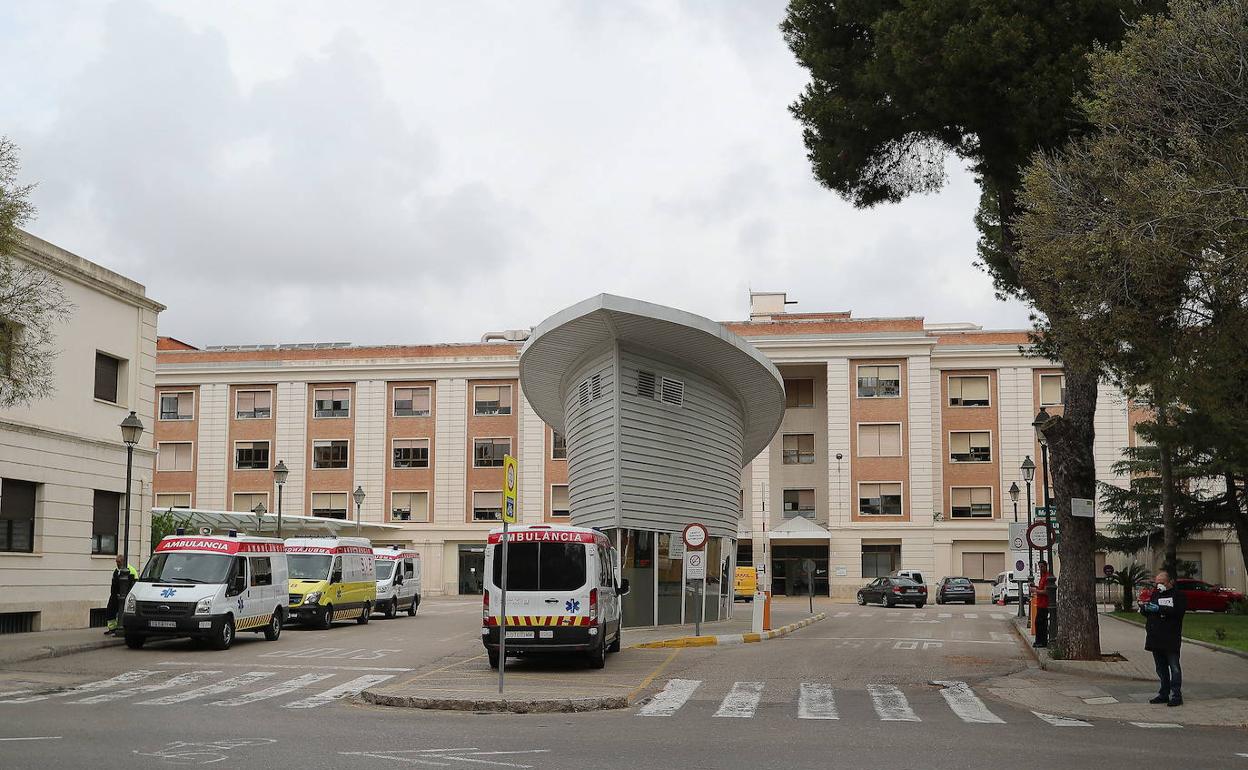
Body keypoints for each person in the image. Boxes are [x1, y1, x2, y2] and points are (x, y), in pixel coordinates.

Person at [1141, 570, 1187, 706]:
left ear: (1170, 582)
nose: (1159, 586)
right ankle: (1164, 693)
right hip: (1156, 637)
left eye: (1162, 583)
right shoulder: (1155, 594)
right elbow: (1150, 613)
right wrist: (1145, 608)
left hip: (1171, 637)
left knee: (1174, 667)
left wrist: (1159, 609)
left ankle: (1176, 695)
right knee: (1160, 668)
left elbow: (1177, 612)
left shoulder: (1178, 596)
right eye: (1157, 583)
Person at [105, 554, 138, 636]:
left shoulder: (131, 570)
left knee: (123, 612)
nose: (117, 564)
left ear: (123, 561)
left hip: (125, 596)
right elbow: (113, 584)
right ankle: (112, 628)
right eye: (116, 562)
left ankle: (123, 628)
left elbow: (133, 585)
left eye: (119, 562)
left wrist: (126, 595)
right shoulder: (116, 571)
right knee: (110, 610)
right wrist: (113, 594)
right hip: (115, 595)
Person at [1033, 561, 1051, 647]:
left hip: (1044, 604)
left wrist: (1035, 591)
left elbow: (1046, 591)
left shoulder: (1047, 577)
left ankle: (1042, 641)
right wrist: (1036, 587)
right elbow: (1041, 589)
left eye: (1042, 567)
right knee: (1039, 623)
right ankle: (1039, 641)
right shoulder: (1042, 577)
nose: (1040, 569)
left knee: (1041, 623)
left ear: (1046, 566)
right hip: (1040, 603)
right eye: (1039, 567)